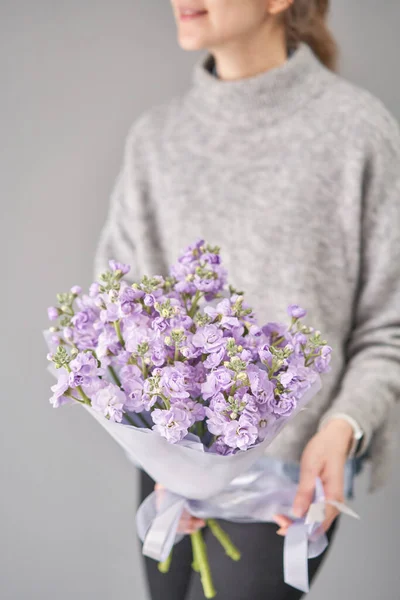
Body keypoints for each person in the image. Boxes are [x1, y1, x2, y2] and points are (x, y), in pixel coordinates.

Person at [93, 1, 400, 598]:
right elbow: (118, 315)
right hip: (167, 470)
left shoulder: (355, 131)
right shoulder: (156, 141)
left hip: (292, 474)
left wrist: (342, 429)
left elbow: (390, 324)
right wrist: (162, 447)